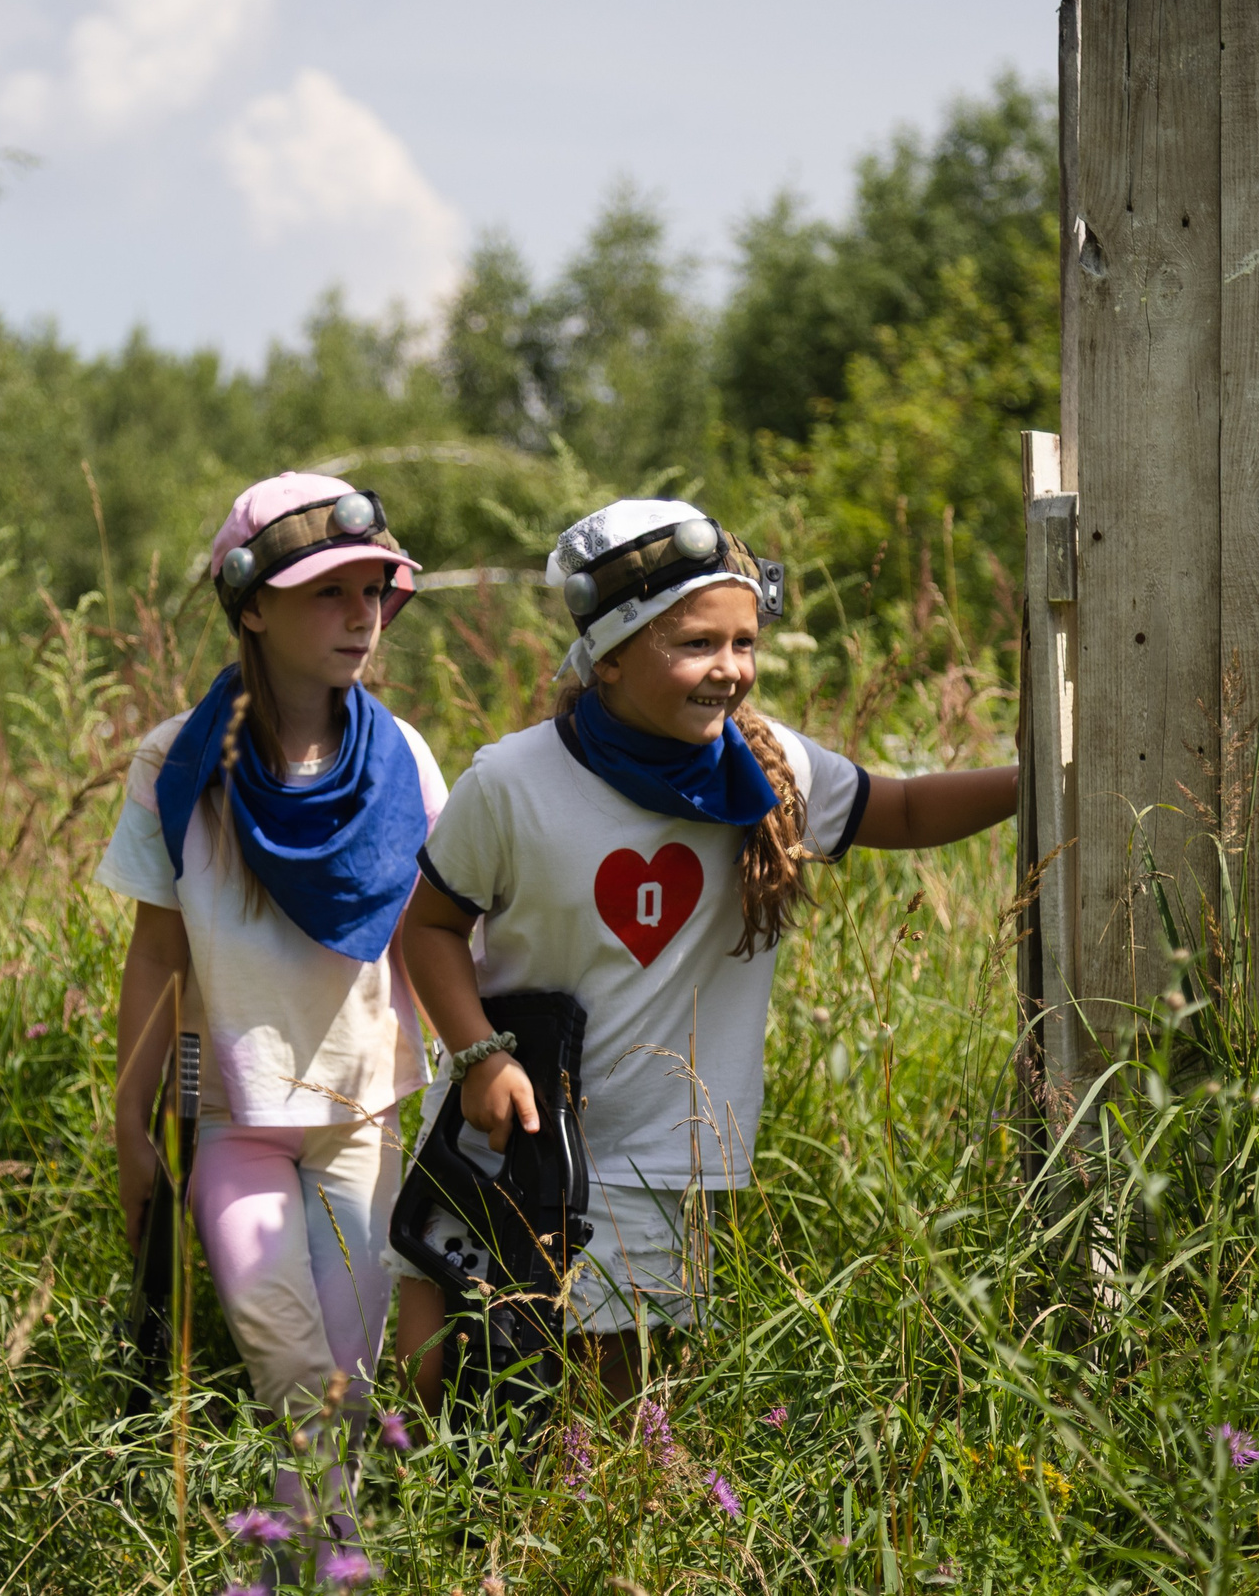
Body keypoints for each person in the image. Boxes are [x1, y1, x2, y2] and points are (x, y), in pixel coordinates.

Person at [392, 498, 1016, 1400]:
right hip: (498, 1133)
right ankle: (423, 1538)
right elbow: (432, 927)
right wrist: (479, 1055)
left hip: (655, 1154)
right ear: (608, 655)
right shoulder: (512, 783)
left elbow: (907, 807)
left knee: (605, 1413)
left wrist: (1045, 774)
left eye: (745, 643)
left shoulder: (764, 772)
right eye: (695, 644)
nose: (730, 670)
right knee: (434, 1378)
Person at [96, 472, 447, 1552]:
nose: (360, 617)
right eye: (326, 593)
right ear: (251, 604)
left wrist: (474, 1068)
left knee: (341, 1368)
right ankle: (340, 1554)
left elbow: (432, 933)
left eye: (373, 591)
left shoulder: (401, 763)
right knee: (281, 1346)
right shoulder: (176, 767)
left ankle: (319, 1558)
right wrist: (128, 1119)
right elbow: (156, 948)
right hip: (231, 1116)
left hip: (360, 1111)